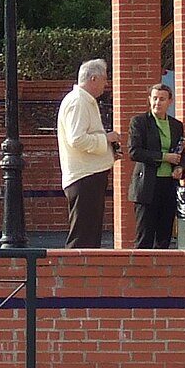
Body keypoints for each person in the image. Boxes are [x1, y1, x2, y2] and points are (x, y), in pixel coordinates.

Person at [56, 59, 122, 248]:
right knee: (83, 236)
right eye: (104, 79)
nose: (106, 84)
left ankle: (84, 274)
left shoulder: (84, 101)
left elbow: (85, 138)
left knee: (90, 235)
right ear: (93, 78)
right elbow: (77, 139)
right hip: (84, 177)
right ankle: (74, 275)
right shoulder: (78, 102)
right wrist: (107, 139)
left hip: (90, 176)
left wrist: (108, 152)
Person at [127, 83, 185, 249]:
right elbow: (134, 152)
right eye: (154, 98)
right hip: (147, 186)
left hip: (168, 185)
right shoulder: (139, 122)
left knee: (164, 237)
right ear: (149, 100)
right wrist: (163, 157)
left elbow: (182, 153)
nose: (157, 103)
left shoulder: (176, 125)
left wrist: (180, 167)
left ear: (170, 102)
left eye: (162, 99)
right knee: (144, 237)